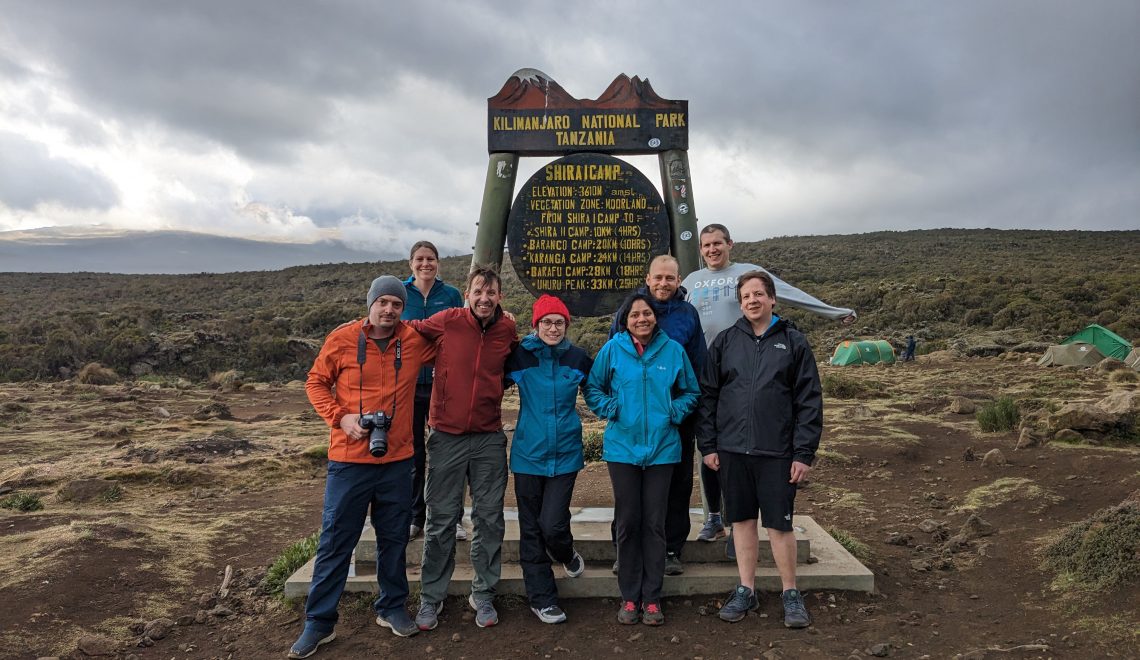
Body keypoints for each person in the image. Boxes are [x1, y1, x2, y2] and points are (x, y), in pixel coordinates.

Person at [681, 223, 854, 550]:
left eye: (718, 243)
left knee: (737, 451)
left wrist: (833, 313)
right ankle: (714, 517)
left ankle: (737, 525)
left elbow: (788, 293)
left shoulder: (748, 274)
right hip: (707, 372)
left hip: (747, 366)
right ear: (701, 249)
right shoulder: (692, 281)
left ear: (730, 244)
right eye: (706, 245)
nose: (712, 250)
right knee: (710, 447)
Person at [290, 276, 437, 658]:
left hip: (398, 459)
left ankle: (391, 608)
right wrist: (340, 418)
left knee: (393, 540)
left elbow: (455, 339)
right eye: (383, 302)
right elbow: (316, 382)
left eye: (397, 304)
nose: (389, 310)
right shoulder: (342, 338)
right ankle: (319, 623)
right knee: (336, 541)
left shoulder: (415, 339)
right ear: (370, 303)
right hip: (348, 460)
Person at [696, 270, 822, 629]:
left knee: (780, 526)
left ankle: (790, 593)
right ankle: (746, 589)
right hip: (732, 450)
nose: (752, 300)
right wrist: (709, 446)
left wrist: (803, 453)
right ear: (741, 302)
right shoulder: (724, 342)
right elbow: (709, 396)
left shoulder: (794, 342)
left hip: (777, 452)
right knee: (742, 522)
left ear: (772, 300)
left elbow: (809, 401)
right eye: (746, 295)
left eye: (758, 294)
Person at [406, 265, 518, 631]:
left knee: (489, 520)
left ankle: (482, 593)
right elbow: (408, 333)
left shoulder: (507, 328)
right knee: (440, 522)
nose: (484, 299)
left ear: (499, 297)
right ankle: (431, 599)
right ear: (467, 294)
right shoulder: (447, 320)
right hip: (446, 436)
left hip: (488, 436)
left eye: (491, 293)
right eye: (478, 292)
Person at [586, 292, 700, 627]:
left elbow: (691, 391)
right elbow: (593, 388)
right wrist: (612, 409)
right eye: (634, 314)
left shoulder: (673, 351)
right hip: (622, 449)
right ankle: (629, 597)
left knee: (654, 523)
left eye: (647, 313)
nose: (641, 319)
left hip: (664, 449)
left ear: (655, 317)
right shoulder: (612, 349)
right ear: (625, 319)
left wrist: (672, 413)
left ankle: (652, 598)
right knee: (628, 522)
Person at [607, 255, 706, 576]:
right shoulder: (629, 309)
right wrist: (615, 407)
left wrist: (678, 411)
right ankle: (624, 549)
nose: (664, 283)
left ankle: (672, 549)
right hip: (632, 421)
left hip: (674, 421)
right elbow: (611, 360)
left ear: (679, 281)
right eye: (658, 277)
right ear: (648, 279)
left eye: (670, 278)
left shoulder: (688, 314)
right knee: (630, 492)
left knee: (676, 487)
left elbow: (698, 369)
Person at [504, 294, 593, 624]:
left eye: (559, 322)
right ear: (536, 325)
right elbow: (489, 382)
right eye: (546, 322)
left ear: (567, 325)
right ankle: (542, 599)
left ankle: (566, 552)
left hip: (566, 454)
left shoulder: (578, 358)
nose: (553, 328)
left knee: (553, 524)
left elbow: (596, 392)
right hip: (528, 454)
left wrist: (615, 412)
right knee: (531, 530)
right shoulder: (519, 356)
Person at [401, 240, 465, 542]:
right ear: (411, 263)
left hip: (445, 386)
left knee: (448, 453)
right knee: (414, 454)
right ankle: (415, 517)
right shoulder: (400, 294)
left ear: (438, 263)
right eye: (420, 259)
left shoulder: (451, 295)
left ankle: (452, 517)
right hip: (409, 386)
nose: (425, 264)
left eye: (431, 259)